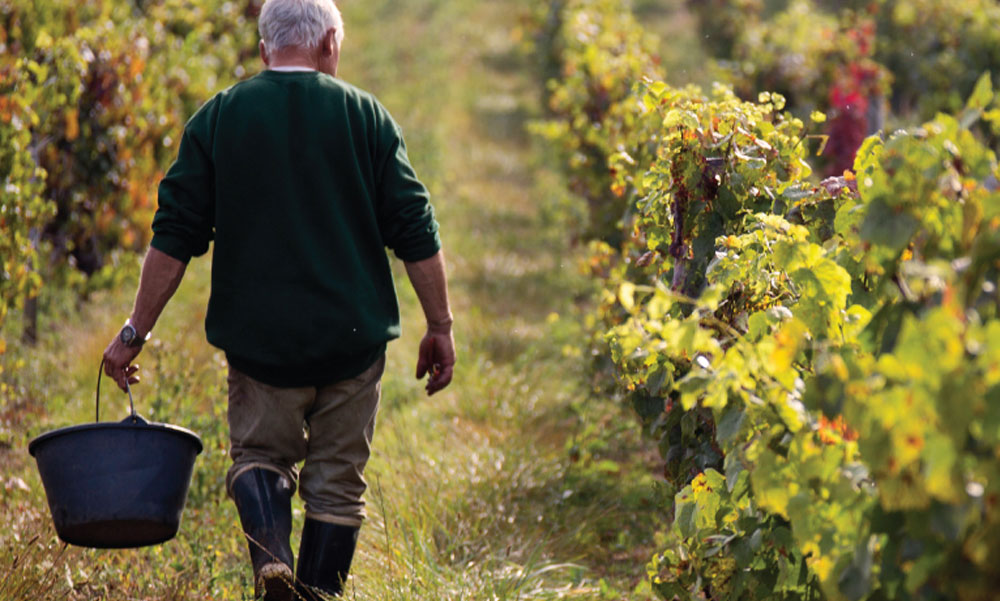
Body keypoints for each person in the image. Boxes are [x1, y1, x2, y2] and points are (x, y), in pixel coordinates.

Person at [101, 0, 456, 598]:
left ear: (265, 50)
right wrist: (440, 324)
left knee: (260, 457)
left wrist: (135, 329)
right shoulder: (365, 116)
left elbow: (175, 236)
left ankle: (272, 559)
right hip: (352, 341)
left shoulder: (220, 117)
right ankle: (316, 594)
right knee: (338, 485)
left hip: (259, 344)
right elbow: (415, 229)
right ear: (328, 47)